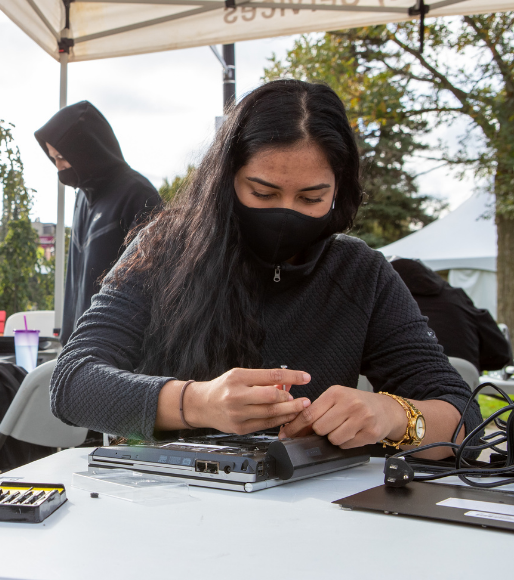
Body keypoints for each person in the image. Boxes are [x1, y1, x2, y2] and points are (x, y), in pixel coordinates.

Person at [50, 80, 482, 459]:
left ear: (340, 193)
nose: (285, 214)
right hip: (163, 508)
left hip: (308, 519)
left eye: (311, 199)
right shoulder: (162, 251)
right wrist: (197, 402)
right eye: (262, 191)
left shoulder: (360, 273)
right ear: (226, 180)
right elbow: (73, 381)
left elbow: (463, 420)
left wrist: (393, 415)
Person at [34, 101, 162, 344]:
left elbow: (154, 286)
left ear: (86, 149)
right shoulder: (83, 196)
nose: (59, 167)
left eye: (62, 157)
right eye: (53, 158)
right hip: (79, 348)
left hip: (120, 352)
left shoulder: (138, 195)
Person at [391, 257, 511, 372]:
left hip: (396, 389)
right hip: (463, 386)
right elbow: (500, 354)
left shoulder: (385, 303)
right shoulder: (456, 298)